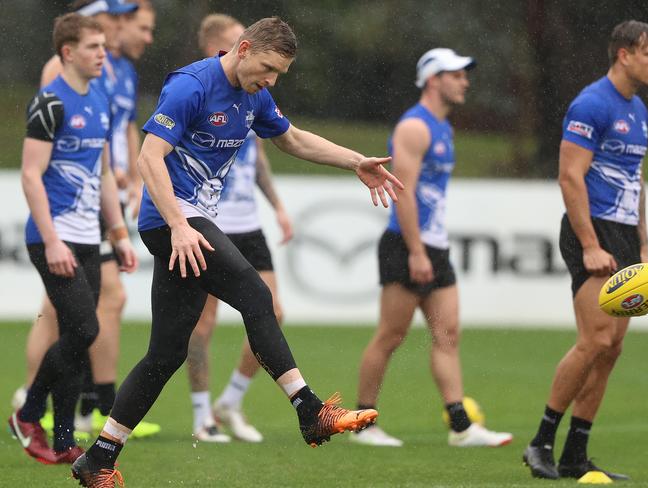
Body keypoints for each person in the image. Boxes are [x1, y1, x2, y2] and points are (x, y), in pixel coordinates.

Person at [71, 17, 401, 485]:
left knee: (165, 355)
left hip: (188, 224)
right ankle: (310, 411)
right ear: (243, 49)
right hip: (173, 221)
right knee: (256, 295)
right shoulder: (192, 86)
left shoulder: (255, 95)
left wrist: (355, 161)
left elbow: (292, 139)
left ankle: (99, 457)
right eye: (266, 67)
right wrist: (180, 225)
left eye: (279, 75)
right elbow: (149, 157)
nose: (270, 80)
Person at [12, 0, 161, 440]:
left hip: (90, 233)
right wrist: (52, 239)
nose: (103, 51)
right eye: (93, 45)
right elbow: (30, 174)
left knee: (78, 334)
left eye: (103, 44)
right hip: (53, 235)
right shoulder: (51, 98)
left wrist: (118, 235)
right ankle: (30, 408)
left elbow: (99, 173)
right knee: (83, 327)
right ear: (68, 51)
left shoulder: (101, 95)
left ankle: (62, 438)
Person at [352, 48, 513, 448]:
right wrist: (417, 251)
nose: (465, 81)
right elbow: (402, 194)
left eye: (464, 75)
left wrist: (430, 249)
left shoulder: (445, 128)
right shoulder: (415, 127)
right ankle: (363, 425)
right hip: (408, 246)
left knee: (448, 334)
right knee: (391, 335)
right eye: (456, 74)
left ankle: (461, 427)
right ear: (432, 79)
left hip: (434, 246)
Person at [523, 20, 648, 481]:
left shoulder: (639, 110)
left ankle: (575, 454)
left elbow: (635, 185)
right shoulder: (592, 103)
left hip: (623, 237)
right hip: (589, 232)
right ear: (624, 54)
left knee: (611, 349)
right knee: (594, 339)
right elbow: (569, 176)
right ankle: (540, 443)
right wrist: (592, 245)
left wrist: (643, 245)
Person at [186, 13, 293, 444]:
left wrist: (278, 205)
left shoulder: (253, 96)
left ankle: (230, 400)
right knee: (202, 322)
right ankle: (201, 415)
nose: (243, 48)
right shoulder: (200, 91)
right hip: (212, 222)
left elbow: (262, 158)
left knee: (273, 312)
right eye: (235, 42)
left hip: (250, 225)